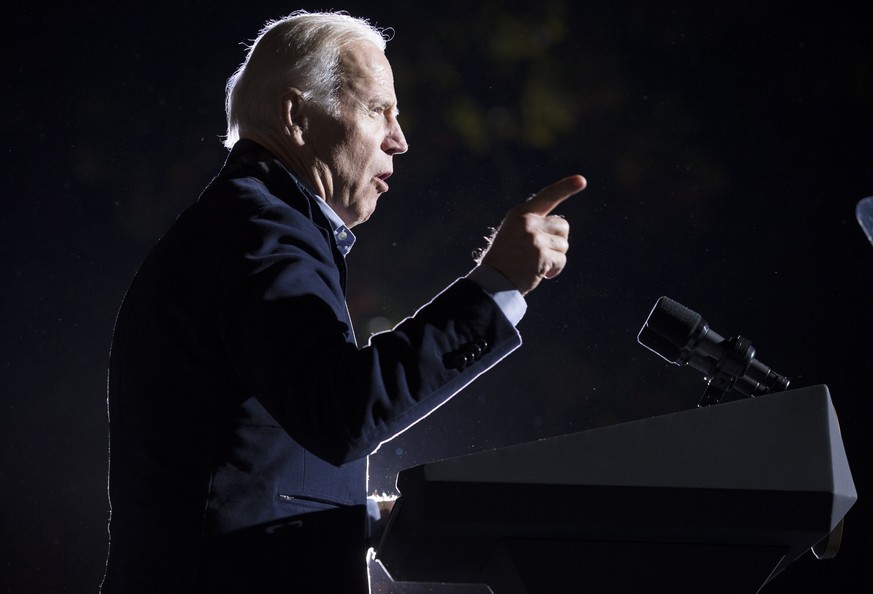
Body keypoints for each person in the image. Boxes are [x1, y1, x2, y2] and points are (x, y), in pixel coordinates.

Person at [100, 9, 586, 594]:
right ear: (296, 115)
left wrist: (358, 519)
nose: (399, 140)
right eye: (379, 109)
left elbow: (237, 469)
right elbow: (339, 410)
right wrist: (499, 283)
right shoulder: (260, 232)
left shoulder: (244, 225)